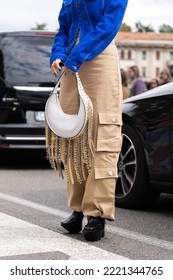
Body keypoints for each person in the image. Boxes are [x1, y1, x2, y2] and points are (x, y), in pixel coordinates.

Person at [49, 0, 128, 242]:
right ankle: (78, 209)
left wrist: (76, 56)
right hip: (71, 66)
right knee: (73, 137)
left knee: (101, 135)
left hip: (99, 59)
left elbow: (108, 26)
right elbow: (63, 28)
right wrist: (58, 54)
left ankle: (96, 214)